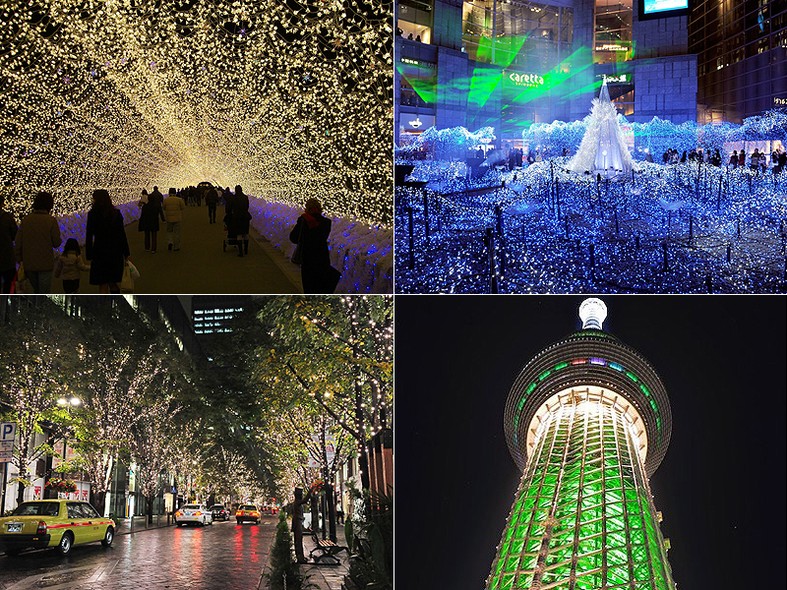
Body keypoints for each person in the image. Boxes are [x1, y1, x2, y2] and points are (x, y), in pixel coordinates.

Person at [14, 191, 62, 293]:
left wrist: (19, 258)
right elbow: (56, 242)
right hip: (45, 264)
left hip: (29, 263)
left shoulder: (26, 220)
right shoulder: (51, 220)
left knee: (35, 291)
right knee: (44, 293)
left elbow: (18, 242)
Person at [85, 189, 130, 293]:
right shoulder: (116, 214)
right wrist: (126, 252)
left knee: (102, 283)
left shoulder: (92, 214)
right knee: (113, 280)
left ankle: (103, 304)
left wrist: (89, 254)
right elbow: (121, 234)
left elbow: (89, 235)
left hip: (99, 251)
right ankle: (114, 298)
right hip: (115, 251)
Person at [289, 198, 338, 293]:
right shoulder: (327, 222)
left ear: (307, 208)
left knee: (309, 288)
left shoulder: (303, 220)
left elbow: (293, 238)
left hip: (307, 259)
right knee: (321, 287)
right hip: (322, 258)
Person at [0, 195, 18, 293]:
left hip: (7, 257)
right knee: (9, 284)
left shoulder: (7, 217)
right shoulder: (7, 218)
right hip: (6, 257)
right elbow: (15, 234)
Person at [226, 185, 251, 257]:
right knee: (246, 233)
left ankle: (241, 252)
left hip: (237, 218)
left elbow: (229, 208)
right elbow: (247, 207)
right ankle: (246, 250)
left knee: (239, 234)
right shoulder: (245, 197)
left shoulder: (233, 198)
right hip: (245, 217)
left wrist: (229, 215)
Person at [138, 188, 165, 253]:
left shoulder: (145, 206)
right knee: (154, 236)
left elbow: (142, 216)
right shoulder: (155, 206)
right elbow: (157, 214)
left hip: (147, 222)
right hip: (154, 223)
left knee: (147, 235)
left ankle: (147, 247)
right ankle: (153, 249)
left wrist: (141, 224)